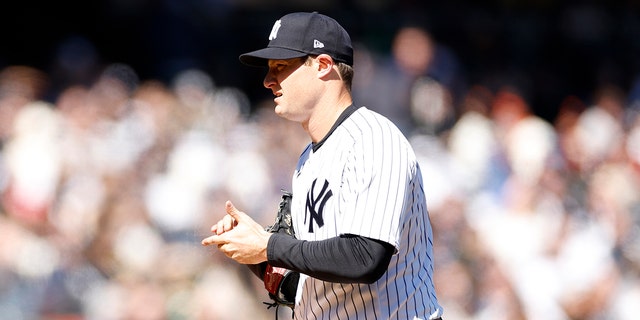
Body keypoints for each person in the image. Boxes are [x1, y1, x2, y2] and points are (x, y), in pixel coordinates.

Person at [202, 11, 444, 320]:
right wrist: (254, 252)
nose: (267, 80)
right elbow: (300, 287)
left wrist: (270, 246)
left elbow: (365, 258)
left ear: (323, 65)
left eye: (280, 66)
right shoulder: (309, 160)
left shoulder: (373, 138)